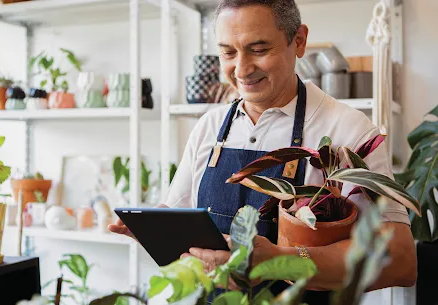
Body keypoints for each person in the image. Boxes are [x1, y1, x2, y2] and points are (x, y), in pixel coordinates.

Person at [109, 0, 417, 302]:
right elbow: (180, 220)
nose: (241, 69)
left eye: (258, 49)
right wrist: (157, 230)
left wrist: (280, 259)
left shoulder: (348, 130)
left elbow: (400, 261)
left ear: (298, 41)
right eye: (227, 52)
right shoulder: (209, 127)